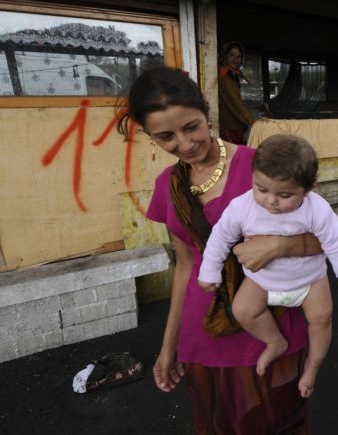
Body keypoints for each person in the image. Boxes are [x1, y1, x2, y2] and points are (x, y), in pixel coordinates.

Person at [117, 66, 322, 434]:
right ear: (150, 136)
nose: (185, 144)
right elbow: (185, 268)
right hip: (205, 333)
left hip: (271, 325)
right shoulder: (168, 186)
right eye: (166, 137)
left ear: (207, 112)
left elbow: (332, 236)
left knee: (280, 423)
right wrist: (169, 347)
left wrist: (280, 245)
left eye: (191, 127)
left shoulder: (263, 166)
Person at [198, 134, 338, 398]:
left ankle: (313, 367)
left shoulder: (316, 208)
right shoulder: (241, 207)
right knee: (243, 310)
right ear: (253, 177)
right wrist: (209, 270)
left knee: (321, 319)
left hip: (310, 280)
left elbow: (335, 239)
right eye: (261, 189)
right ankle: (275, 341)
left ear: (307, 189)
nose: (271, 201)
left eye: (285, 195)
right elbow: (220, 238)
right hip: (262, 281)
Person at [218, 41, 257, 144]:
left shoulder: (231, 73)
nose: (235, 60)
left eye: (238, 56)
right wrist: (254, 122)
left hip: (231, 126)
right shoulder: (225, 75)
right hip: (229, 128)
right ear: (225, 56)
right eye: (232, 55)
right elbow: (235, 102)